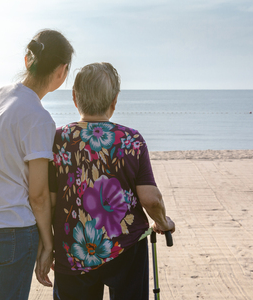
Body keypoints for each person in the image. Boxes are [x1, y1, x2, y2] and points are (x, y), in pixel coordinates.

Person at [48, 62, 175, 300]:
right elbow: (151, 198)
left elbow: (50, 201)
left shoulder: (58, 140)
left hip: (73, 249)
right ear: (114, 100)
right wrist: (162, 222)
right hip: (125, 250)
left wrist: (47, 246)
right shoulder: (131, 140)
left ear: (75, 98)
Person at [0, 29, 74, 299]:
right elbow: (38, 195)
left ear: (28, 60)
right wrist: (48, 244)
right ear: (62, 71)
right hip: (10, 229)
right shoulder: (38, 118)